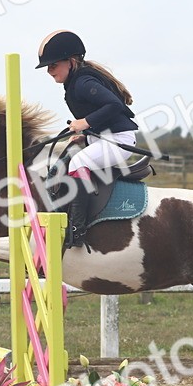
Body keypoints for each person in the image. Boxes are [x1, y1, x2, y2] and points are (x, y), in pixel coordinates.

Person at [36, 29, 138, 248]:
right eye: (48, 67)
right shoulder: (75, 82)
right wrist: (84, 134)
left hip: (118, 140)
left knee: (78, 162)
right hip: (102, 139)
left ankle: (77, 229)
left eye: (53, 65)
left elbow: (114, 105)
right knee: (58, 169)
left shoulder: (83, 83)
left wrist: (85, 123)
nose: (49, 71)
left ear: (70, 62)